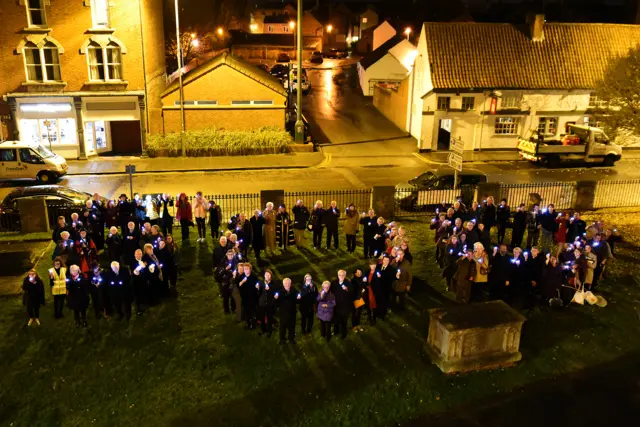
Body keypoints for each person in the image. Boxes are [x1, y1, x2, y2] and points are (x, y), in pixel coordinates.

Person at [275, 278, 301, 344]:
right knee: (282, 327)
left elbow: (297, 301)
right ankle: (282, 339)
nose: (287, 285)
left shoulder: (294, 291)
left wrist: (299, 298)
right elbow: (276, 304)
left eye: (288, 283)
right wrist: (276, 299)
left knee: (292, 327)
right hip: (283, 313)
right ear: (283, 284)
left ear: (290, 284)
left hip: (292, 313)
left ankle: (291, 339)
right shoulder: (280, 292)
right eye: (285, 283)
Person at [331, 270, 351, 339]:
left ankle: (343, 334)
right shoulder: (334, 283)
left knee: (343, 322)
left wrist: (347, 289)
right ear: (338, 275)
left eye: (343, 275)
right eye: (340, 275)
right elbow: (330, 292)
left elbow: (352, 293)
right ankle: (336, 331)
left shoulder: (348, 283)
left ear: (345, 276)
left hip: (344, 306)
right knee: (336, 320)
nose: (341, 276)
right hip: (336, 305)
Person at [238, 263, 258, 329]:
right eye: (244, 269)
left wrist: (257, 287)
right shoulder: (241, 277)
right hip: (245, 298)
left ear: (250, 269)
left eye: (247, 269)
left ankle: (253, 323)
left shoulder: (254, 277)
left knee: (252, 311)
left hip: (252, 297)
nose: (246, 270)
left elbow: (257, 286)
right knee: (246, 311)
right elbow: (239, 286)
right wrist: (242, 282)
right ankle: (248, 323)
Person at [218, 251, 238, 316]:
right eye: (229, 254)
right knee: (226, 297)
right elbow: (220, 273)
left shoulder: (235, 261)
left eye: (231, 254)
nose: (230, 256)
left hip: (233, 281)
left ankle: (233, 308)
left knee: (233, 296)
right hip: (225, 282)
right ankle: (226, 310)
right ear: (226, 255)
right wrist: (226, 269)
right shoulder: (223, 262)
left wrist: (235, 273)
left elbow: (237, 269)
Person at [257, 269, 276, 337]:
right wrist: (258, 289)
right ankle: (263, 330)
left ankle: (269, 331)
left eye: (268, 275)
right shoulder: (261, 283)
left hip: (269, 304)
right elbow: (258, 294)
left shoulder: (273, 284)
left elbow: (274, 294)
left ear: (271, 276)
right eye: (266, 275)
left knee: (269, 318)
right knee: (262, 318)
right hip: (262, 303)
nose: (267, 276)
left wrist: (269, 290)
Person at [130, 249, 149, 315]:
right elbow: (133, 272)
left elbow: (146, 269)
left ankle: (144, 307)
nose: (139, 255)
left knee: (143, 293)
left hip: (143, 281)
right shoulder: (132, 262)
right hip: (136, 282)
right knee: (137, 296)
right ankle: (138, 309)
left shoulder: (143, 260)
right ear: (135, 255)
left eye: (140, 254)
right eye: (137, 254)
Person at [363, 259, 378, 324]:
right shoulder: (367, 272)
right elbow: (364, 280)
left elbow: (379, 283)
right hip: (368, 290)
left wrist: (379, 278)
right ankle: (369, 317)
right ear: (369, 265)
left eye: (374, 265)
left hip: (374, 291)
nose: (373, 266)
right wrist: (364, 282)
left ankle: (374, 318)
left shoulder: (378, 272)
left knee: (374, 304)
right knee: (368, 303)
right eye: (371, 265)